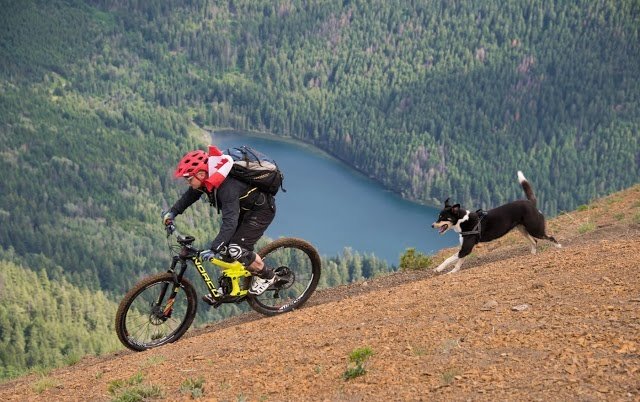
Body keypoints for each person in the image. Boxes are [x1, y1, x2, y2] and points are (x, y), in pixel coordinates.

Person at [162, 145, 277, 300]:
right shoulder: (208, 178)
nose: (188, 182)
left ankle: (268, 276)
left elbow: (230, 222)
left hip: (260, 211)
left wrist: (214, 249)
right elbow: (190, 196)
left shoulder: (226, 187)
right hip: (244, 211)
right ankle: (228, 287)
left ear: (201, 174)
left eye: (189, 179)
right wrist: (172, 212)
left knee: (236, 249)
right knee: (225, 248)